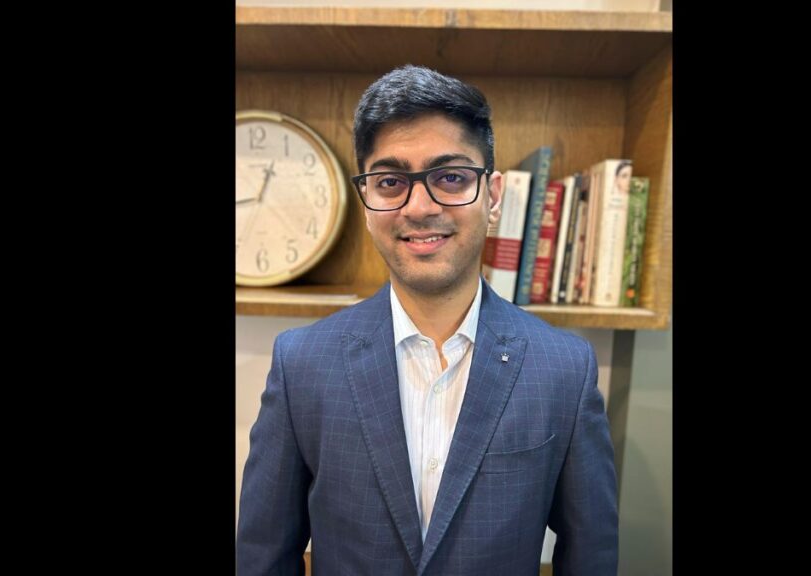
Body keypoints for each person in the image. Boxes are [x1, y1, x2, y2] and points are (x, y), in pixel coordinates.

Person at [236, 65, 618, 576]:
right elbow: (262, 556)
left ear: (493, 196)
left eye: (451, 177)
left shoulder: (565, 370)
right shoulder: (301, 363)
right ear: (366, 200)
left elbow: (591, 555)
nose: (418, 207)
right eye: (391, 182)